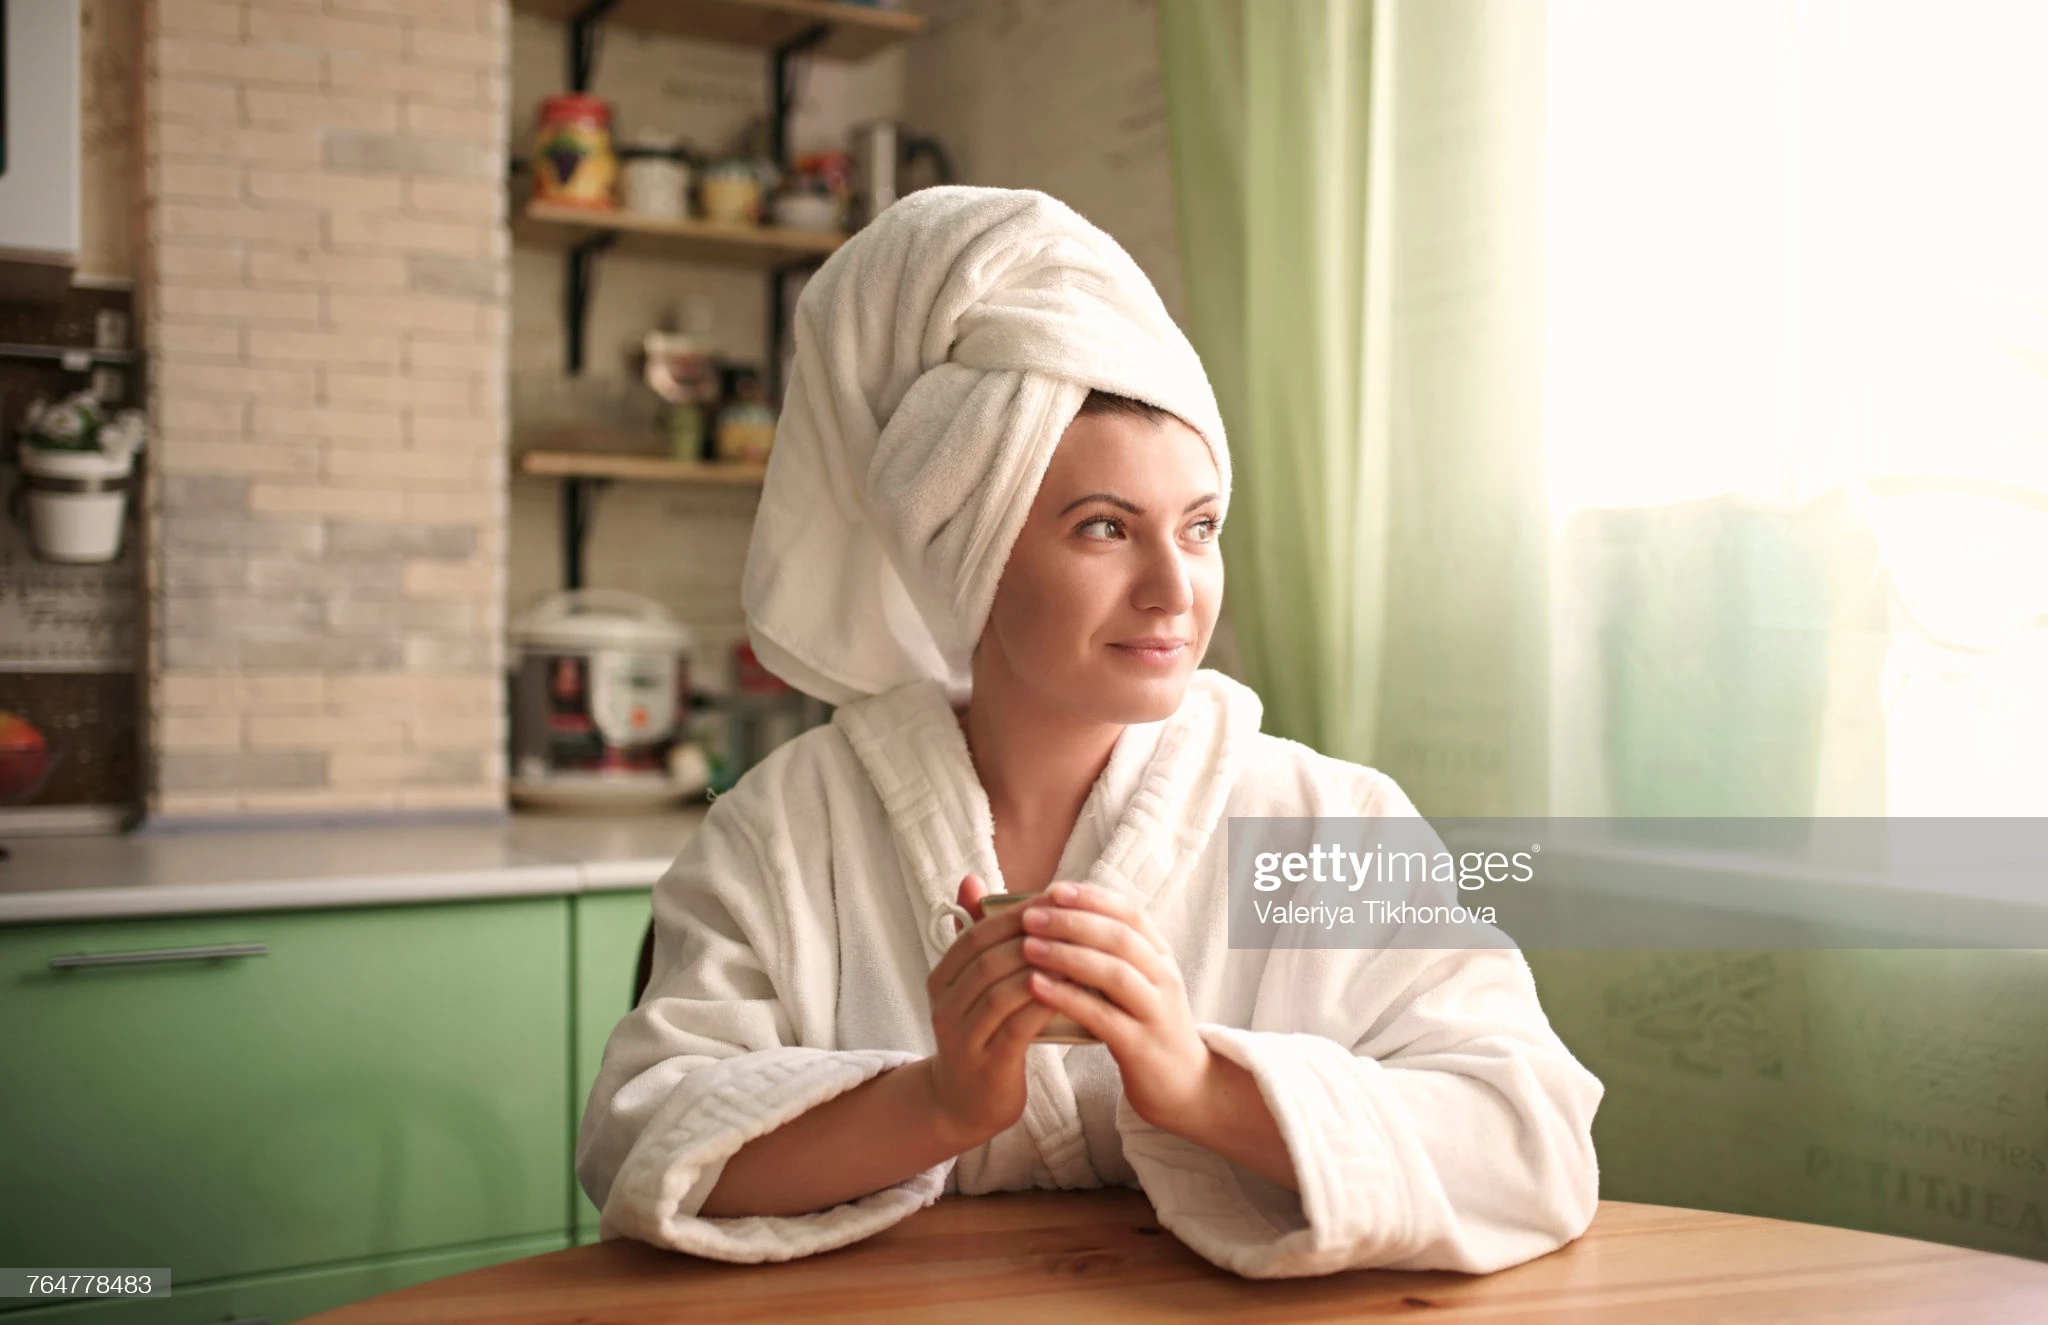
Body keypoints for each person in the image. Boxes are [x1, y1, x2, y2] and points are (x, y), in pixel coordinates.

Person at [575, 187, 1602, 1278]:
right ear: (966, 551)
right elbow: (643, 1142)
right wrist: (938, 1100)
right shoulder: (786, 829)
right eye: (1104, 527)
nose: (1174, 589)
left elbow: (1529, 1139)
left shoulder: (1330, 823)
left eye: (1199, 528)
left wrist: (1194, 1080)